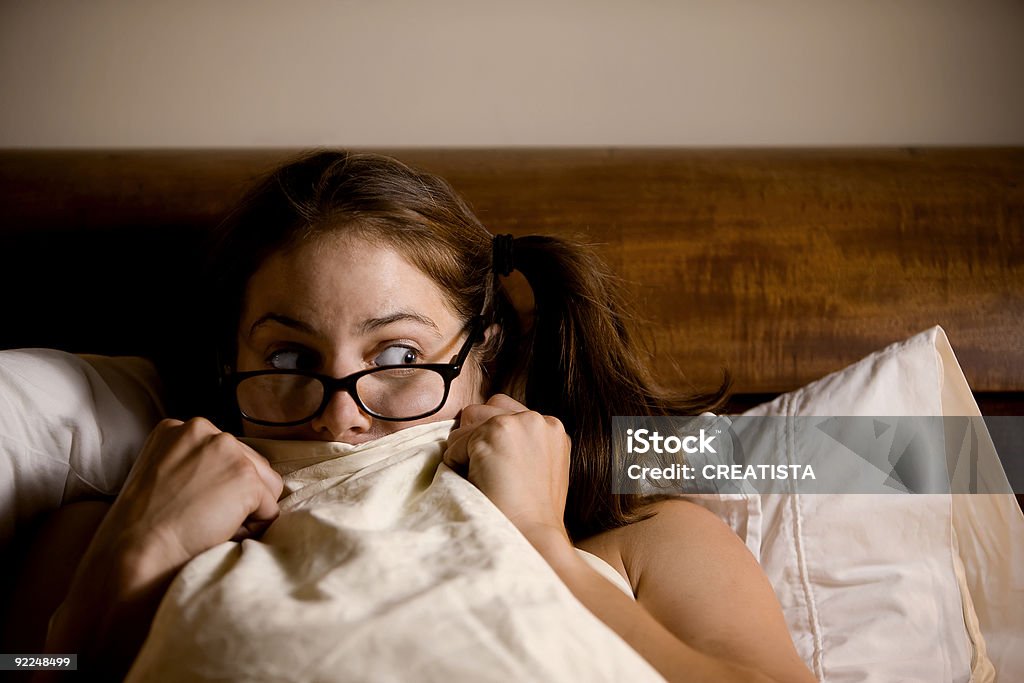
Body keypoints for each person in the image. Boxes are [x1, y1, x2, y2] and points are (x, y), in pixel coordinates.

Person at [28, 151, 815, 682]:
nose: (343, 418)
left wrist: (543, 545)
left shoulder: (647, 545)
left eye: (400, 358)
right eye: (294, 360)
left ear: (486, 358)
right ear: (229, 365)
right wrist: (136, 562)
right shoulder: (114, 533)